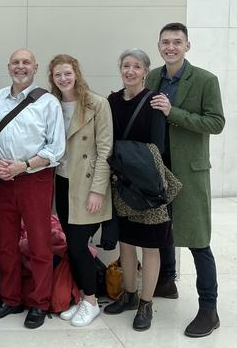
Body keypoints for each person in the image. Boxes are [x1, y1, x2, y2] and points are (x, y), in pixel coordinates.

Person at [0, 49, 65, 330]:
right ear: (8, 66)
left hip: (35, 180)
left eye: (26, 62)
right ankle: (10, 299)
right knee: (7, 243)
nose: (20, 66)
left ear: (35, 68)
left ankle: (39, 302)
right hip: (3, 179)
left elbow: (55, 148)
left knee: (39, 244)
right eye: (16, 62)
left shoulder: (48, 102)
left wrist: (22, 166)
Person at [146, 23, 225, 337]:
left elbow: (216, 122)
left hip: (190, 172)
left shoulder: (205, 79)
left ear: (187, 45)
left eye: (177, 42)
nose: (171, 47)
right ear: (159, 45)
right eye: (165, 42)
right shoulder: (153, 77)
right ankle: (166, 281)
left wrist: (173, 112)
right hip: (158, 168)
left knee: (197, 240)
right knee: (160, 227)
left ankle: (209, 308)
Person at [103, 49, 172, 331]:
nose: (130, 71)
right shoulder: (112, 101)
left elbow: (158, 148)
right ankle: (129, 295)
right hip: (121, 183)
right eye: (125, 66)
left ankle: (146, 304)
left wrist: (130, 163)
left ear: (145, 71)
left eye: (136, 66)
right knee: (127, 243)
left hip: (148, 185)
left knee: (151, 246)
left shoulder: (154, 101)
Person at [48, 54, 113, 327]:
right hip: (62, 183)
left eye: (67, 73)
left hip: (86, 186)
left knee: (78, 246)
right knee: (72, 247)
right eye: (57, 75)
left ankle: (91, 301)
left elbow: (105, 149)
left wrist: (98, 190)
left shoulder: (97, 104)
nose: (63, 79)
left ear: (76, 73)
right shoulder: (51, 105)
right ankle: (83, 298)